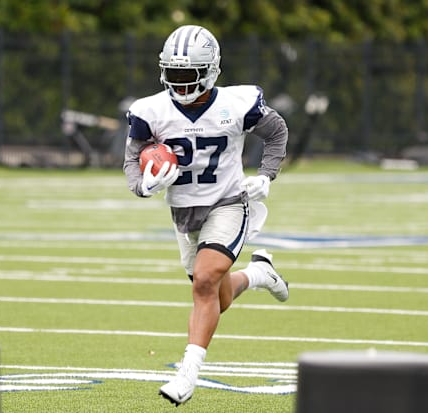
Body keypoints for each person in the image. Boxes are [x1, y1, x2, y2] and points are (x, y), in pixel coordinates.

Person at [122, 24, 290, 406]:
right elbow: (132, 158)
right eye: (174, 74)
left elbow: (276, 131)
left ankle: (187, 373)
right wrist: (143, 186)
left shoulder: (237, 103)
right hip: (184, 212)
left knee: (204, 282)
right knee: (217, 295)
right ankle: (259, 274)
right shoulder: (150, 111)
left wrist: (266, 175)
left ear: (211, 71)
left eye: (189, 75)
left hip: (228, 201)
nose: (180, 84)